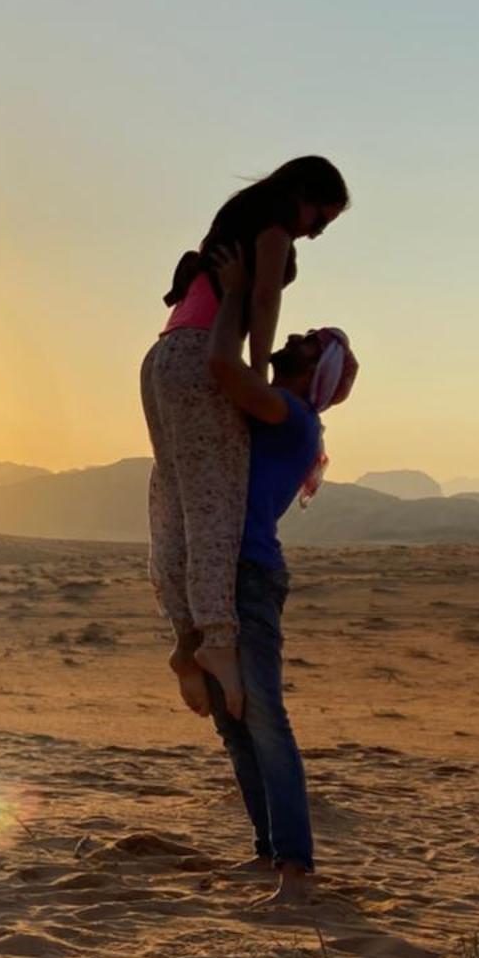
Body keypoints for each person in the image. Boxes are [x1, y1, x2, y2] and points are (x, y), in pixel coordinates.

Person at [140, 156, 349, 718]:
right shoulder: (275, 226)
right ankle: (217, 642)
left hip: (163, 355)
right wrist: (255, 367)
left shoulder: (237, 215)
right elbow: (264, 302)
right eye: (321, 218)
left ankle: (186, 640)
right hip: (203, 357)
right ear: (304, 193)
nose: (316, 231)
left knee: (176, 501)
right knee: (213, 507)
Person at [201, 253, 357, 905]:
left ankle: (295, 866)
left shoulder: (293, 417)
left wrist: (239, 293)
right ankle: (268, 852)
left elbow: (221, 368)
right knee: (232, 720)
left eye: (308, 342)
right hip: (225, 569)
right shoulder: (284, 416)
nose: (293, 337)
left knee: (263, 715)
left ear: (311, 372)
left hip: (250, 573)